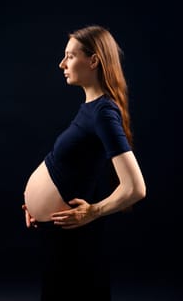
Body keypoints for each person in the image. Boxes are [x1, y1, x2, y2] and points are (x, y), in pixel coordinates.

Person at [22, 25, 146, 301]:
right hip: (58, 234)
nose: (61, 64)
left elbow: (136, 187)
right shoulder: (90, 108)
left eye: (70, 56)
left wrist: (93, 211)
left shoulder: (103, 112)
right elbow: (72, 168)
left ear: (93, 60)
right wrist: (34, 204)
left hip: (75, 241)